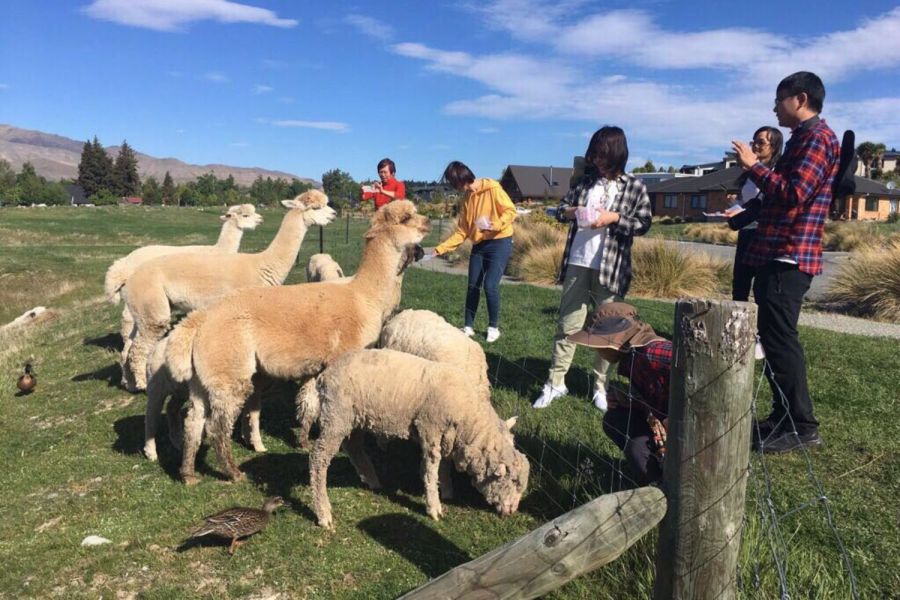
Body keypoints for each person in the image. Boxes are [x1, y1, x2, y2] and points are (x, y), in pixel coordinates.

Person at [731, 71, 840, 453]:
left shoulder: (817, 139)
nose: (774, 108)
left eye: (779, 100)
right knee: (775, 341)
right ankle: (783, 416)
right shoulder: (802, 140)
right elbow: (781, 195)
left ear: (801, 99)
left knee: (781, 340)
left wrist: (753, 166)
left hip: (790, 256)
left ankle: (802, 424)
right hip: (776, 254)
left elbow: (795, 193)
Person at [533, 126, 652, 411]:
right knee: (568, 325)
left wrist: (614, 218)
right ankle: (555, 382)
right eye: (594, 154)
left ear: (616, 154)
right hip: (578, 261)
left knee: (609, 331)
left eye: (602, 155)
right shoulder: (585, 183)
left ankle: (601, 386)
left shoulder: (634, 186)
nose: (597, 160)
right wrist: (573, 211)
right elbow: (560, 210)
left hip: (611, 267)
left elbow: (644, 223)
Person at [566, 302, 671, 485]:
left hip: (693, 427)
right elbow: (657, 396)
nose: (596, 350)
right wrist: (632, 401)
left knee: (636, 447)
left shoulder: (652, 353)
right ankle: (660, 480)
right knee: (614, 419)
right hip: (668, 422)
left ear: (613, 340)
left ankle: (663, 489)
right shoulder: (631, 358)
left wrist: (677, 418)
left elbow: (696, 368)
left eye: (598, 343)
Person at [432, 161, 516, 343]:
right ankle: (468, 326)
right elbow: (463, 230)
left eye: (454, 183)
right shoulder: (467, 198)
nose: (455, 187)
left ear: (462, 178)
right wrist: (441, 248)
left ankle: (493, 327)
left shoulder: (493, 189)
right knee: (472, 286)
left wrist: (498, 224)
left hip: (500, 241)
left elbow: (511, 211)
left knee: (490, 285)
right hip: (479, 244)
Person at [726, 126, 784, 302]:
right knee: (740, 284)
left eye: (761, 142)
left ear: (773, 147)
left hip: (764, 235)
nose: (755, 146)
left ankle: (759, 327)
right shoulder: (749, 174)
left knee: (762, 287)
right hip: (746, 231)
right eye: (754, 142)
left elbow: (773, 199)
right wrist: (734, 205)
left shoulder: (777, 172)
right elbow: (748, 203)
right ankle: (736, 326)